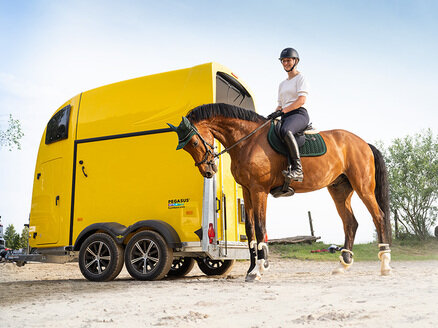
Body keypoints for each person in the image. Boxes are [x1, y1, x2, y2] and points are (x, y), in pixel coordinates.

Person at [267, 47, 310, 182]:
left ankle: (297, 170)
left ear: (295, 61)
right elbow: (280, 104)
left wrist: (284, 111)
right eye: (283, 61)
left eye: (288, 60)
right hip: (285, 115)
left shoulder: (300, 78)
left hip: (299, 114)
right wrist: (273, 115)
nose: (286, 63)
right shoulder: (282, 84)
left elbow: (301, 100)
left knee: (286, 130)